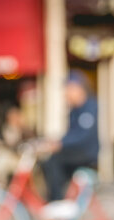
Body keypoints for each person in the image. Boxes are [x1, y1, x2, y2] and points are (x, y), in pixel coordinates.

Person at [41, 70, 99, 201]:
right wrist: (56, 141)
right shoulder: (74, 110)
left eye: (69, 89)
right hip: (79, 151)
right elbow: (71, 134)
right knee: (47, 164)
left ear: (79, 89)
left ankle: (57, 201)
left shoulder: (89, 107)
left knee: (53, 162)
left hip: (86, 153)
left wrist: (61, 144)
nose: (66, 93)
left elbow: (83, 135)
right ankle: (59, 196)